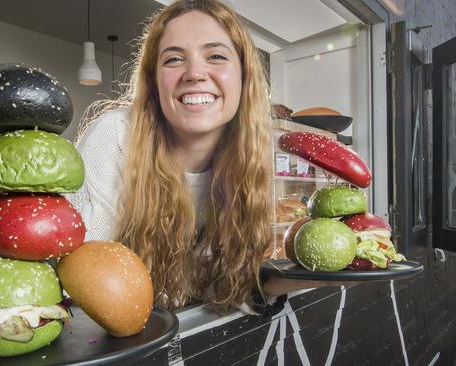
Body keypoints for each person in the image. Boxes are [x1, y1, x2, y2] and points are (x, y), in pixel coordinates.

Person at [68, 0, 323, 315]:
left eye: (216, 56)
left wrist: (300, 279)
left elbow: (220, 290)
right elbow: (77, 284)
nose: (194, 73)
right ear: (154, 81)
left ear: (244, 77)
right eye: (174, 59)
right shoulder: (116, 136)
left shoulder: (248, 153)